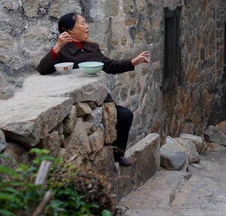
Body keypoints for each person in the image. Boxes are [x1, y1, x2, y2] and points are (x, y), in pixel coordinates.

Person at [37, 13, 150, 167]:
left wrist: (133, 62)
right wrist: (57, 46)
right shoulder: (62, 50)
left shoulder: (92, 47)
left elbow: (109, 65)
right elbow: (43, 69)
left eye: (85, 23)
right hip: (78, 102)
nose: (87, 26)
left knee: (125, 115)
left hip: (99, 99)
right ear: (69, 30)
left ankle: (118, 155)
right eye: (82, 23)